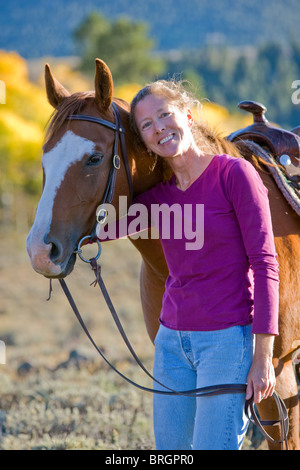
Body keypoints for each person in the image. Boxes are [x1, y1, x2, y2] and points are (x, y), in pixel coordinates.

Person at [99, 80, 279, 450]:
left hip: (227, 342)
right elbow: (101, 228)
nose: (159, 128)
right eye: (147, 125)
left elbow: (265, 264)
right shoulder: (159, 199)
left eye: (165, 115)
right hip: (171, 344)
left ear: (188, 114)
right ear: (143, 141)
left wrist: (263, 356)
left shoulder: (234, 175)